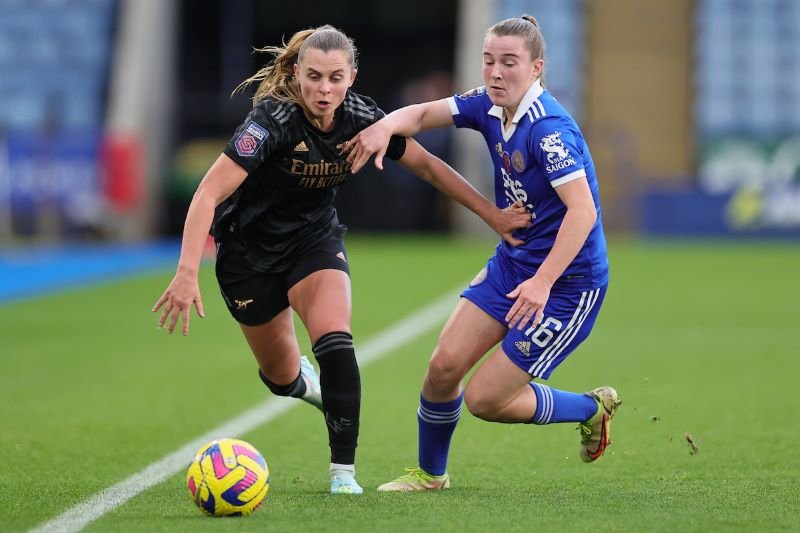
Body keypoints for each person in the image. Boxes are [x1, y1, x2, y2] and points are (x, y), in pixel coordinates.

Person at [151, 24, 531, 495]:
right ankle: (302, 385)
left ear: (352, 76)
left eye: (335, 78)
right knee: (280, 376)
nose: (324, 89)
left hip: (313, 242)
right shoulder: (270, 122)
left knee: (336, 344)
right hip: (247, 255)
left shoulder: (362, 119)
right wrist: (188, 272)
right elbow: (208, 192)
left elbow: (429, 167)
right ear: (296, 73)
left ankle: (343, 475)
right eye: (313, 77)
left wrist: (492, 215)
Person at [346, 15, 621, 491]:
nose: (496, 73)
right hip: (514, 262)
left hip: (566, 285)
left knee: (485, 400)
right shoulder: (487, 105)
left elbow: (584, 213)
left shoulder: (549, 131)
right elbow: (420, 115)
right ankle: (431, 475)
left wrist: (543, 281)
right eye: (489, 61)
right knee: (443, 367)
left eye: (509, 63)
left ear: (536, 68)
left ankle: (591, 408)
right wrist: (382, 128)